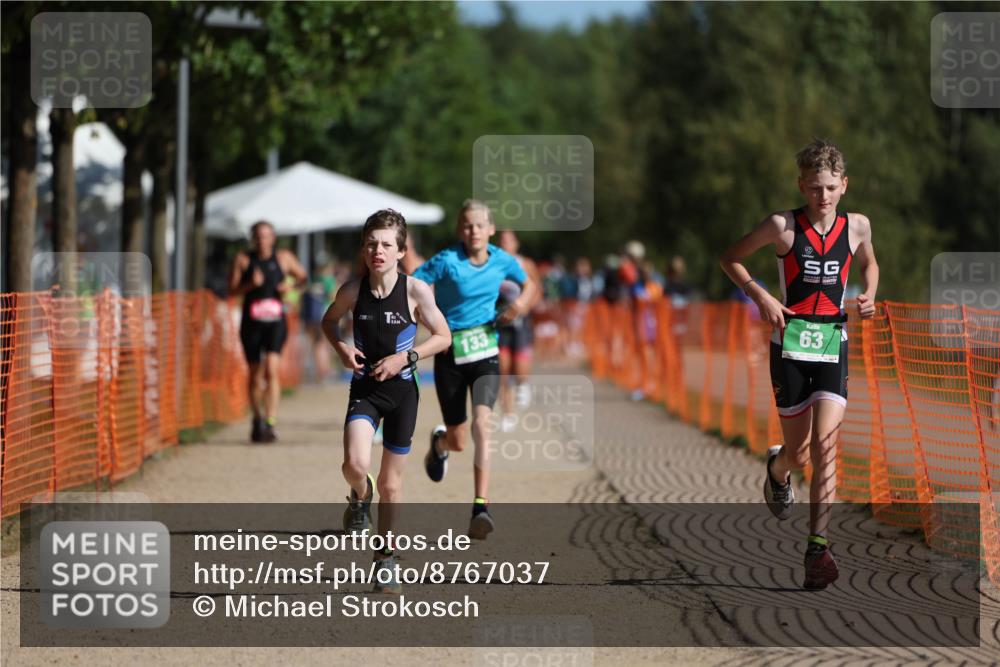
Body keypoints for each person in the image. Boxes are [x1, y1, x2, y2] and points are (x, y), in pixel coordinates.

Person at [720, 139, 879, 590]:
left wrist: (869, 294)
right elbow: (729, 257)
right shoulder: (782, 226)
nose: (822, 197)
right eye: (813, 188)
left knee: (826, 444)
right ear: (801, 186)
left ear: (844, 186)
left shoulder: (859, 226)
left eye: (830, 187)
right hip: (789, 342)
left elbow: (870, 264)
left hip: (833, 339)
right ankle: (778, 469)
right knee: (801, 453)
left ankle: (817, 546)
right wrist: (762, 295)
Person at [321, 209, 450, 594]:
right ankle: (361, 495)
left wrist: (405, 358)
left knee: (393, 487)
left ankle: (385, 559)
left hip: (402, 395)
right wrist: (342, 347)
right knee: (354, 464)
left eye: (387, 245)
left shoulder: (416, 291)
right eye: (371, 244)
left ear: (400, 251)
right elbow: (328, 322)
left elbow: (443, 336)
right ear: (363, 249)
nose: (378, 250)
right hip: (364, 390)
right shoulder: (351, 291)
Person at [412, 200, 538, 539]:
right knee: (459, 440)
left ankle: (481, 506)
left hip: (485, 352)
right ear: (460, 230)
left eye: (480, 225)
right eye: (467, 225)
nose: (474, 231)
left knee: (484, 425)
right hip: (450, 355)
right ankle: (440, 443)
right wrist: (424, 317)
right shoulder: (446, 260)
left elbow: (531, 285)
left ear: (491, 230)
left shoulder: (502, 260)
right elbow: (412, 287)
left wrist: (519, 306)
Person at [229, 220, 307, 443]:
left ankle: (270, 422)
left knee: (271, 370)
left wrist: (290, 287)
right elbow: (232, 289)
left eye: (266, 236)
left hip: (275, 323)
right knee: (254, 376)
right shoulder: (243, 260)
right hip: (251, 324)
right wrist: (250, 285)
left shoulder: (283, 258)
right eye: (258, 236)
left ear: (273, 238)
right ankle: (256, 418)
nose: (262, 240)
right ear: (253, 239)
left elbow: (303, 278)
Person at [495, 229, 543, 431]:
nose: (506, 244)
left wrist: (524, 308)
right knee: (502, 371)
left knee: (520, 370)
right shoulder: (493, 263)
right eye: (502, 241)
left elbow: (538, 291)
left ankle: (523, 384)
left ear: (516, 244)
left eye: (509, 241)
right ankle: (508, 413)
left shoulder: (526, 264)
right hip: (501, 323)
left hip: (521, 322)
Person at [301, 261, 337, 383]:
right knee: (323, 344)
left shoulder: (313, 280)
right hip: (324, 315)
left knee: (313, 343)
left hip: (311, 317)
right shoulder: (328, 280)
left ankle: (312, 371)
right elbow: (333, 297)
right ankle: (323, 371)